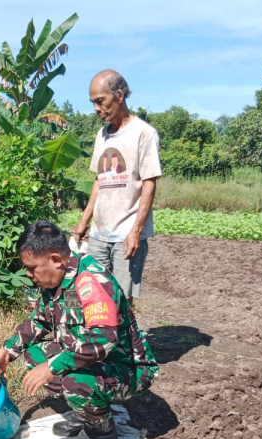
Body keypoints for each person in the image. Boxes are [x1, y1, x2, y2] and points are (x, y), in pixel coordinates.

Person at [0, 221, 158, 439]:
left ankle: (102, 431)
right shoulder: (56, 280)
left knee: (73, 381)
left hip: (129, 367)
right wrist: (7, 351)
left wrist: (53, 366)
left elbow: (103, 338)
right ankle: (85, 411)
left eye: (31, 267)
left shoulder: (91, 280)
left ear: (56, 259)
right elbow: (40, 320)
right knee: (34, 356)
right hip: (96, 360)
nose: (28, 274)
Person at [72, 69, 162, 310]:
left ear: (119, 95)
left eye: (100, 101)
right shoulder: (101, 136)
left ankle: (125, 347)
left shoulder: (144, 133)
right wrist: (84, 222)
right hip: (100, 234)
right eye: (93, 102)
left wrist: (136, 231)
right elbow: (99, 181)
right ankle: (102, 346)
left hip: (126, 234)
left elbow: (149, 183)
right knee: (94, 296)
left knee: (122, 301)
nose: (96, 108)